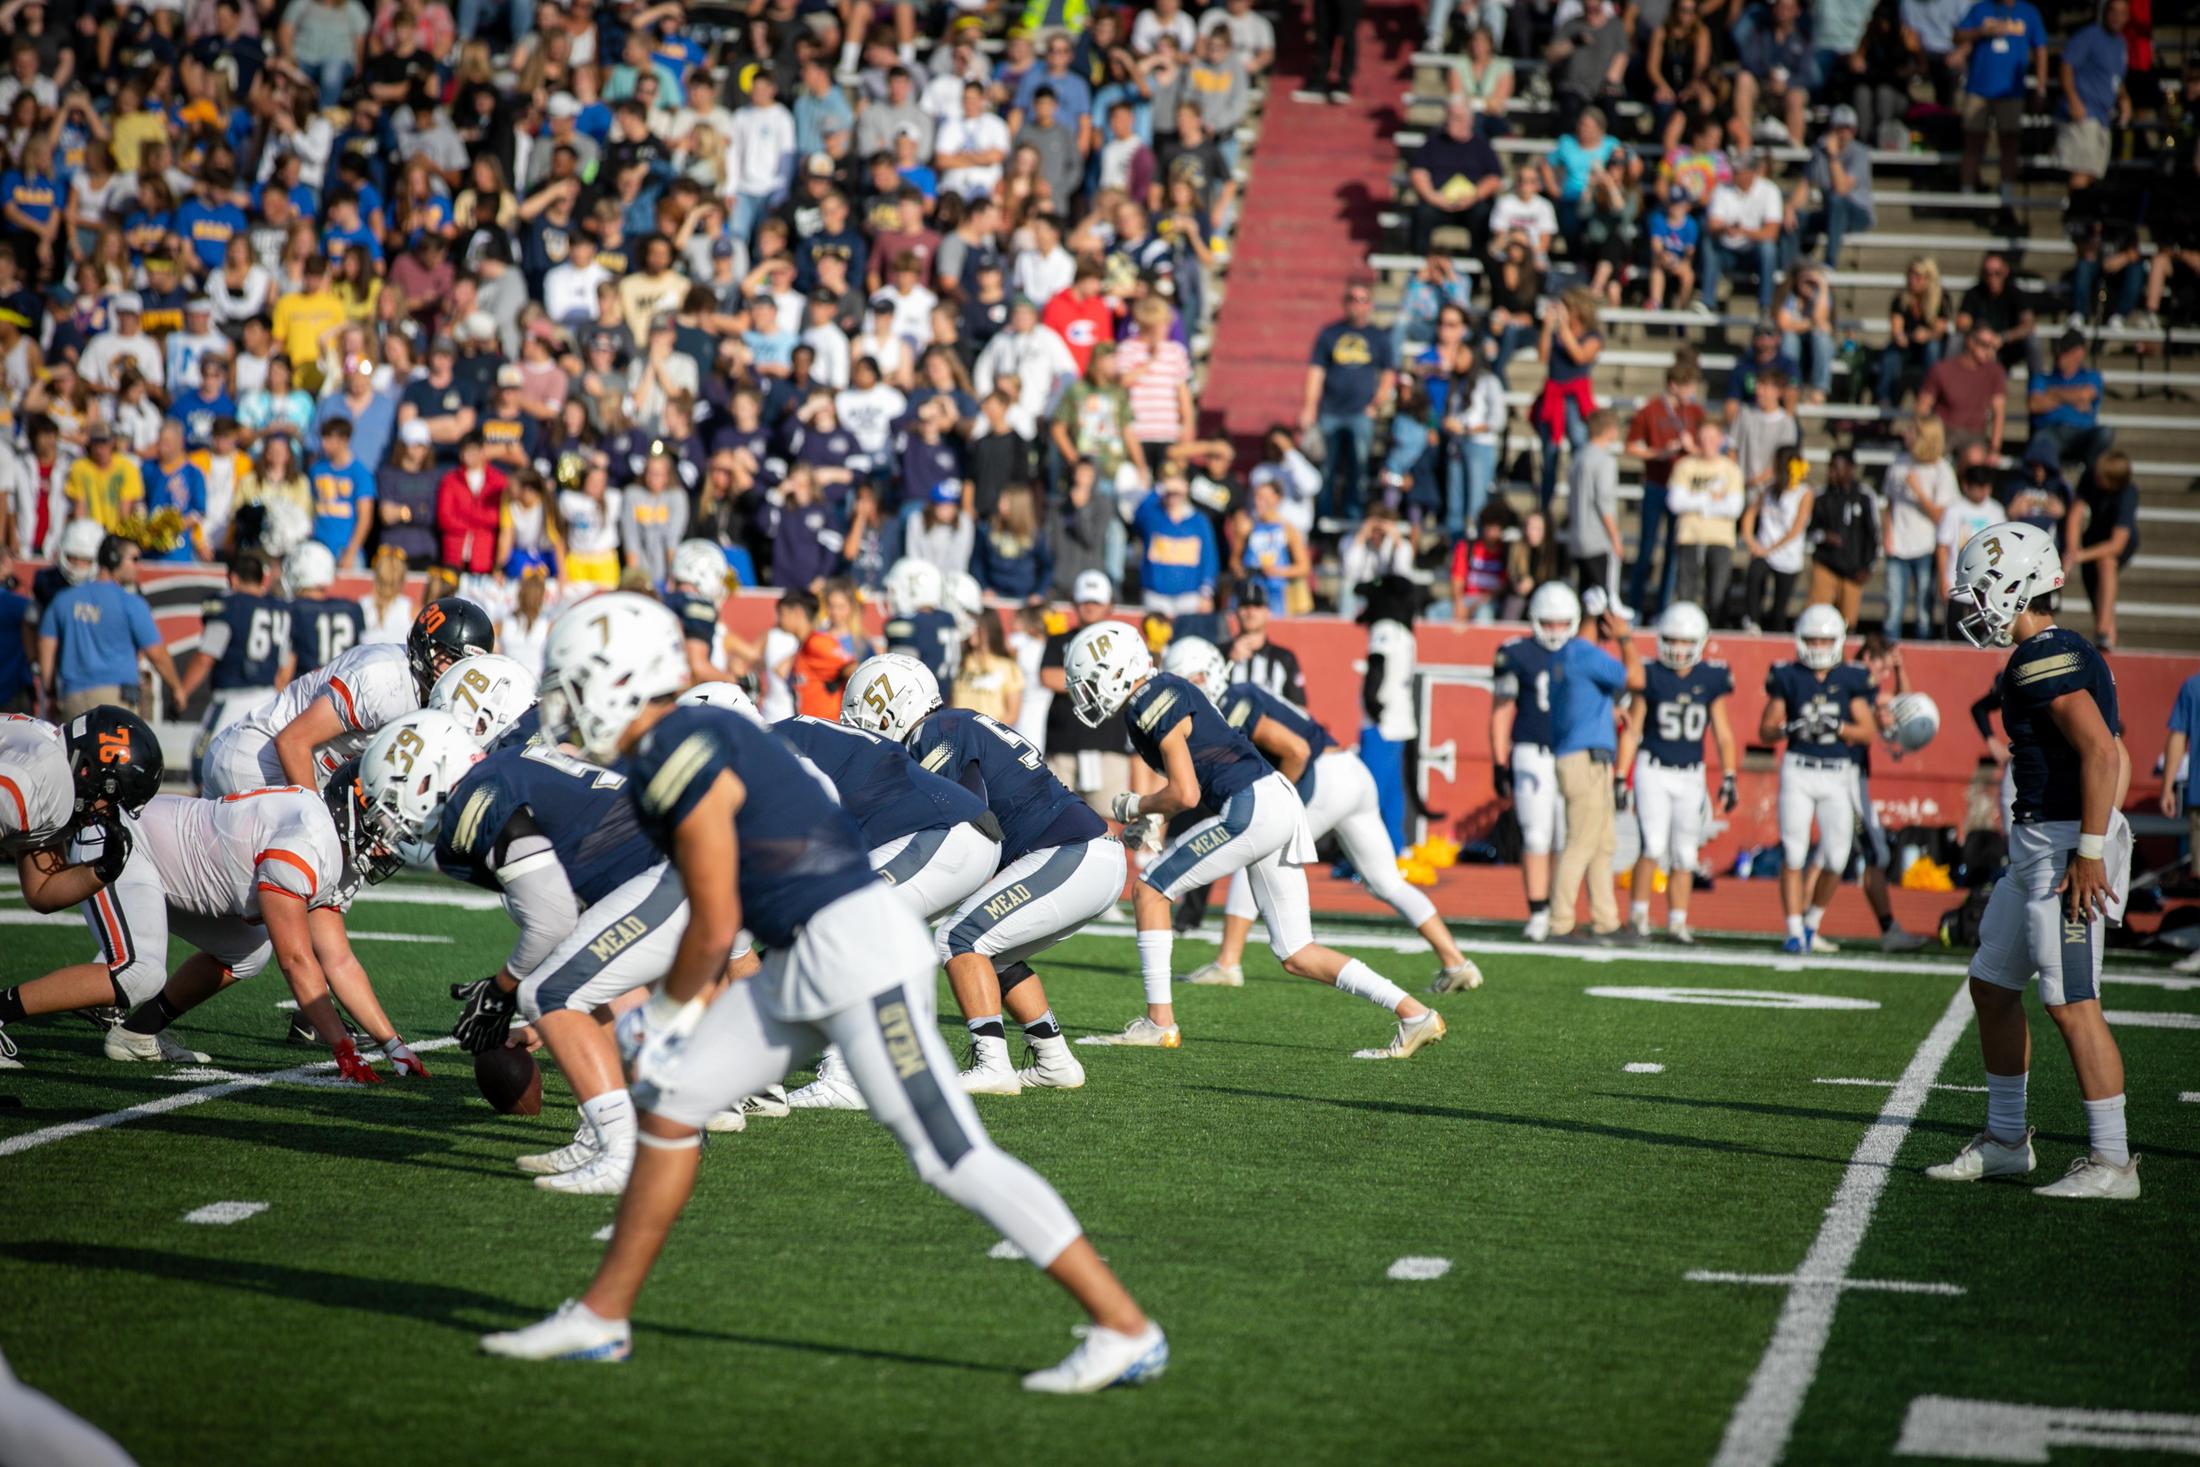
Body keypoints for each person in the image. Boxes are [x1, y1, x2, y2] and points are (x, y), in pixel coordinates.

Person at [491, 593, 1168, 1392]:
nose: (566, 703)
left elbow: (710, 916)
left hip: (855, 953)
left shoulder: (686, 746)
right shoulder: (705, 738)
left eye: (575, 682)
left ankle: (1126, 1327)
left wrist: (665, 1017)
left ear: (617, 679)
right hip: (800, 957)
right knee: (672, 1108)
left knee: (949, 1154)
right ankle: (602, 1317)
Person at [1063, 619, 1448, 1058]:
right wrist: (1151, 818)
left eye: (1090, 680)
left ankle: (1159, 1022)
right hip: (1274, 802)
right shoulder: (1153, 697)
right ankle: (1415, 1014)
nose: (1086, 691)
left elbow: (1185, 793)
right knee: (1297, 951)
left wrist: (1136, 806)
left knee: (1150, 891)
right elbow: (1189, 785)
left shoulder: (1151, 698)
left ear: (1118, 671)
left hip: (1253, 804)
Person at [1930, 520, 2139, 1198]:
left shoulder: (2037, 658)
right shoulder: (2067, 650)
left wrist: (2088, 849)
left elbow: (2103, 754)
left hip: (2061, 847)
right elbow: (2117, 751)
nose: (1973, 606)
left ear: (2015, 585)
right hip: (2037, 845)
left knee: (2072, 1001)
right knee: (1992, 984)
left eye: (1980, 591)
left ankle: (2112, 1161)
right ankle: (2006, 1139)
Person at [844, 652, 1107, 1092]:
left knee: (957, 937)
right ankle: (1054, 1060)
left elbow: (964, 809)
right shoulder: (950, 724)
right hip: (1079, 851)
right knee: (991, 949)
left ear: (896, 706)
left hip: (1068, 850)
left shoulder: (935, 733)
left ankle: (992, 1065)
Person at [1161, 636, 1481, 991]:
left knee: (1256, 849)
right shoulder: (1239, 694)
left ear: (1208, 676)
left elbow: (1296, 751)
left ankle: (1227, 963)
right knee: (1386, 881)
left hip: (1324, 778)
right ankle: (1455, 962)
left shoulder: (1233, 701)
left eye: (1186, 681)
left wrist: (1277, 799)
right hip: (1350, 772)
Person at [84, 771, 420, 1078]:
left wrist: (393, 1044)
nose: (386, 847)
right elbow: (295, 960)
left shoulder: (336, 853)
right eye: (383, 827)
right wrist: (343, 1046)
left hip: (185, 870)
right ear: (353, 810)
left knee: (247, 950)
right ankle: (27, 1012)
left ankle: (137, 1033)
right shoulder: (311, 842)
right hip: (135, 846)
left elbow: (339, 961)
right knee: (138, 971)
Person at [201, 597, 488, 801]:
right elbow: (292, 741)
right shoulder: (384, 678)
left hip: (289, 767)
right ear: (426, 648)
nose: (457, 674)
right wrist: (314, 823)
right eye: (449, 660)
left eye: (465, 665)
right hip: (257, 763)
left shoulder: (425, 690)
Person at [0, 708, 163, 1064]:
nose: (106, 813)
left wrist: (101, 870)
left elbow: (42, 891)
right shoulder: (41, 777)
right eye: (112, 798)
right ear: (88, 770)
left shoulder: (55, 774)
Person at [1760, 603, 1876, 954]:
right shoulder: (1789, 676)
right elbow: (1765, 730)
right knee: (1794, 852)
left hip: (1837, 774)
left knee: (1837, 858)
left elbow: (1867, 732)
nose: (1819, 647)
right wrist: (1787, 728)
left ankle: (1811, 923)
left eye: (1825, 641)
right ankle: (1794, 930)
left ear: (1838, 641)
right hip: (1798, 769)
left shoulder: (1850, 678)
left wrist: (1839, 727)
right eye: (1813, 639)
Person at [1618, 602, 1736, 943]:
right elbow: (1634, 729)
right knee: (1652, 845)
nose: (1678, 648)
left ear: (1700, 642)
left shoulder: (1711, 678)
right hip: (1653, 769)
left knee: (1685, 853)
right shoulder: (1651, 675)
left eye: (1686, 642)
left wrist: (1729, 775)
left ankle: (1677, 922)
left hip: (1691, 774)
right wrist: (1619, 776)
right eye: (1672, 640)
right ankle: (1638, 916)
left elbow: (1723, 733)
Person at [1544, 586, 1640, 943]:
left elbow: (1578, 702)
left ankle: (1606, 920)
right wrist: (1627, 639)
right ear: (1603, 620)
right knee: (1582, 843)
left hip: (1585, 757)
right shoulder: (1584, 654)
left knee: (1602, 844)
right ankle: (1560, 922)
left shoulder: (1568, 655)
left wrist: (1608, 711)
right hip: (1583, 760)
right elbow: (1636, 678)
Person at [39, 530, 182, 718]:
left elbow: (46, 649)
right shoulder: (130, 603)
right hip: (115, 700)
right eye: (134, 559)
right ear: (114, 559)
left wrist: (50, 692)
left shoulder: (63, 600)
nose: (139, 566)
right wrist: (177, 688)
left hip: (72, 697)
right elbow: (157, 655)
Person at [176, 552, 287, 785]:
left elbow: (207, 656)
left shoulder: (230, 607)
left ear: (233, 579)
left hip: (232, 701)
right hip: (270, 700)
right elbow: (285, 666)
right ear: (261, 579)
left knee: (202, 767)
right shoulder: (279, 609)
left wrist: (182, 693)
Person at [1300, 281, 1395, 522]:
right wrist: (1309, 406)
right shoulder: (1330, 333)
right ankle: (1323, 520)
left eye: (1362, 299)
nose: (1356, 305)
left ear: (1370, 304)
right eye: (1352, 299)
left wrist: (1376, 404)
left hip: (1360, 414)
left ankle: (1353, 520)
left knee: (1358, 469)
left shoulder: (1378, 336)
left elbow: (1388, 373)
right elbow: (1316, 371)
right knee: (1325, 468)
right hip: (1330, 411)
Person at [1623, 364, 1706, 617]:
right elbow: (1631, 446)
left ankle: (1662, 610)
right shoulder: (1651, 410)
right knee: (1646, 549)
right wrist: (1660, 453)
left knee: (1674, 551)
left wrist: (1692, 449)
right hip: (1656, 485)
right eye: (1688, 387)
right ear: (1673, 385)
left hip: (1682, 490)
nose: (1692, 393)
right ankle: (1635, 608)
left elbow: (1709, 449)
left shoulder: (1695, 412)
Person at [1954, 0, 2047, 205]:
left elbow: (2041, 48)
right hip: (1978, 88)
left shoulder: (2029, 12)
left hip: (2012, 91)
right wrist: (1981, 31)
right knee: (1973, 142)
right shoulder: (1980, 9)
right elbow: (1957, 36)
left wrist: (2041, 87)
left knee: (2010, 143)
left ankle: (2006, 197)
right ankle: (1967, 195)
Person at [1881, 417, 1955, 641]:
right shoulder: (1899, 464)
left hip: (1925, 547)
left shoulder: (1942, 470)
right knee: (1893, 608)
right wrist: (1888, 535)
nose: (1906, 435)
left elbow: (1941, 516)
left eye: (1912, 431)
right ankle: (1888, 652)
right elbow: (1889, 504)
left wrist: (1917, 490)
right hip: (1898, 547)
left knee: (1924, 609)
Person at [1666, 423, 1745, 623]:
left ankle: (1717, 634)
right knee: (1686, 592)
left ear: (1721, 440)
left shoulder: (1731, 469)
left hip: (1720, 538)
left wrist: (1695, 501)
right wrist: (1710, 499)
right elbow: (1675, 502)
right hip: (1689, 536)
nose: (1706, 443)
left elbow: (1734, 507)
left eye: (1712, 438)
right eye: (1702, 438)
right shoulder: (1685, 465)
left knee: (1718, 594)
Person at [1405, 99, 1503, 257]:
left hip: (1471, 203)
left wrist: (1473, 196)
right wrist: (1433, 197)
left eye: (1457, 117)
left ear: (1470, 120)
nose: (1452, 122)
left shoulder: (1481, 145)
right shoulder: (1434, 142)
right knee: (1422, 214)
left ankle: (1477, 269)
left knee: (1483, 214)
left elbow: (1494, 177)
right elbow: (1417, 172)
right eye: (1450, 117)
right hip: (1438, 202)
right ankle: (1420, 266)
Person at [2052, 0, 2130, 192]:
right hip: (2084, 112)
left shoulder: (2120, 43)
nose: (2117, 17)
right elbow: (2066, 65)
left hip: (2103, 117)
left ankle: (2084, 217)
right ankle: (2076, 219)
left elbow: (2115, 78)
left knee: (2093, 173)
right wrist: (2073, 100)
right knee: (2082, 171)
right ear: (2105, 12)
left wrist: (2124, 99)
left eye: (2122, 13)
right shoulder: (2089, 36)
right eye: (2113, 11)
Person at [2065, 450, 2137, 651]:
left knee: (2107, 563)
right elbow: (2075, 515)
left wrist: (2081, 555)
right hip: (2093, 536)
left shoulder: (2127, 494)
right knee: (2095, 593)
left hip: (2115, 543)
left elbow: (2117, 544)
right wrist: (2071, 550)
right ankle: (2105, 635)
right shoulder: (2090, 478)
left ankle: (2104, 631)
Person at [1698, 151, 1783, 316]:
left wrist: (1743, 231)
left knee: (1768, 249)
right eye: (1734, 170)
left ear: (1752, 172)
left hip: (1753, 252)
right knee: (1709, 242)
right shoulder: (1722, 189)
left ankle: (1765, 305)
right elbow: (1713, 224)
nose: (1735, 175)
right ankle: (1707, 300)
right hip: (1727, 252)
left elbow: (1772, 233)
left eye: (1739, 171)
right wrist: (1725, 229)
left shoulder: (1770, 190)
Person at [1804, 448, 1879, 626]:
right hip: (1826, 564)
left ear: (1849, 469)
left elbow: (1873, 535)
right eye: (1830, 468)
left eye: (1836, 468)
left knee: (1848, 621)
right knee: (1817, 616)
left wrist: (1868, 566)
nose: (1832, 473)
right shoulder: (1821, 496)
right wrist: (1824, 536)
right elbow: (1809, 531)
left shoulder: (1864, 496)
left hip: (1853, 570)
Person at [2026, 330, 2112, 473]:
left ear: (2079, 353)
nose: (2060, 355)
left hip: (2082, 434)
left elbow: (2086, 395)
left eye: (2067, 351)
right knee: (2041, 440)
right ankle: (2050, 486)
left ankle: (2089, 482)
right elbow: (2034, 405)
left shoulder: (2091, 376)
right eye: (2060, 350)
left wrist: (2051, 394)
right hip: (2051, 430)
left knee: (2106, 433)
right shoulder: (2042, 378)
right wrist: (2073, 399)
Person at [1565, 409, 1625, 608]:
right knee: (1604, 600)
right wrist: (1615, 536)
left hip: (1578, 536)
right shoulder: (1605, 460)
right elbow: (1603, 501)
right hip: (1598, 539)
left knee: (1586, 597)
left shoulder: (1578, 457)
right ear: (1609, 430)